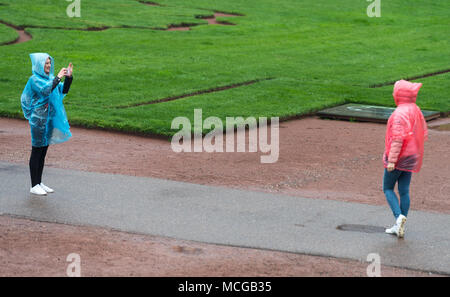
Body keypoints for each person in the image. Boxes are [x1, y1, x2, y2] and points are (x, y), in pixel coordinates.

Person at [20, 53, 74, 196]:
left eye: (49, 63)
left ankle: (39, 182)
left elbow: (63, 90)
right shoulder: (34, 80)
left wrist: (68, 78)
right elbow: (45, 90)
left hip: (48, 119)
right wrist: (57, 77)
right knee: (37, 151)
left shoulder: (50, 79)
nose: (48, 66)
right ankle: (34, 185)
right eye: (45, 63)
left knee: (43, 151)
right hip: (38, 121)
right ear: (39, 65)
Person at [383, 79, 428, 238]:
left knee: (387, 188)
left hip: (399, 158)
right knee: (404, 190)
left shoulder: (399, 114)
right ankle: (400, 224)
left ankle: (398, 217)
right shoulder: (415, 109)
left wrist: (392, 161)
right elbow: (423, 132)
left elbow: (397, 139)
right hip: (412, 156)